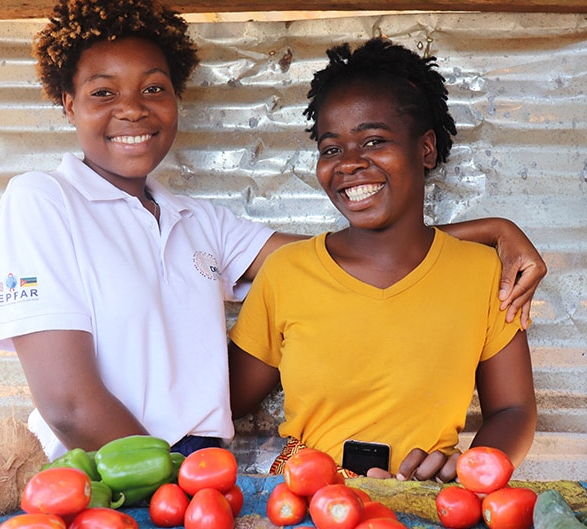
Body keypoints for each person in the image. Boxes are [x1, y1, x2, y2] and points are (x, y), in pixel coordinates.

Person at [0, 0, 545, 461]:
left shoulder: (198, 222)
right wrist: (174, 486)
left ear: (176, 99)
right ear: (67, 103)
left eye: (154, 88)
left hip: (202, 469)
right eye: (103, 92)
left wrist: (492, 231)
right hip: (99, 467)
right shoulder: (42, 201)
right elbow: (68, 404)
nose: (132, 110)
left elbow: (351, 257)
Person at [228, 38, 537, 483]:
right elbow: (227, 400)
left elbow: (513, 408)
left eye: (374, 140)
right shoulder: (287, 273)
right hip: (310, 499)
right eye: (331, 148)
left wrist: (470, 470)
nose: (350, 163)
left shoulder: (485, 274)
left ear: (426, 149)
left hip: (426, 497)